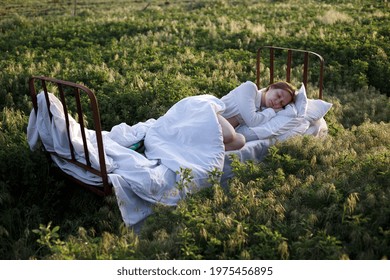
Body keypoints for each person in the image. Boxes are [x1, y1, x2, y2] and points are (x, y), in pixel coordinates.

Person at [218, 81, 296, 151]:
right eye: (278, 95)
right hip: (212, 115)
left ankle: (209, 146)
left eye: (281, 103)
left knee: (240, 141)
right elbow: (252, 121)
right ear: (271, 87)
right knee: (229, 135)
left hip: (220, 130)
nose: (277, 102)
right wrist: (272, 111)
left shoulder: (260, 112)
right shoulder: (250, 88)